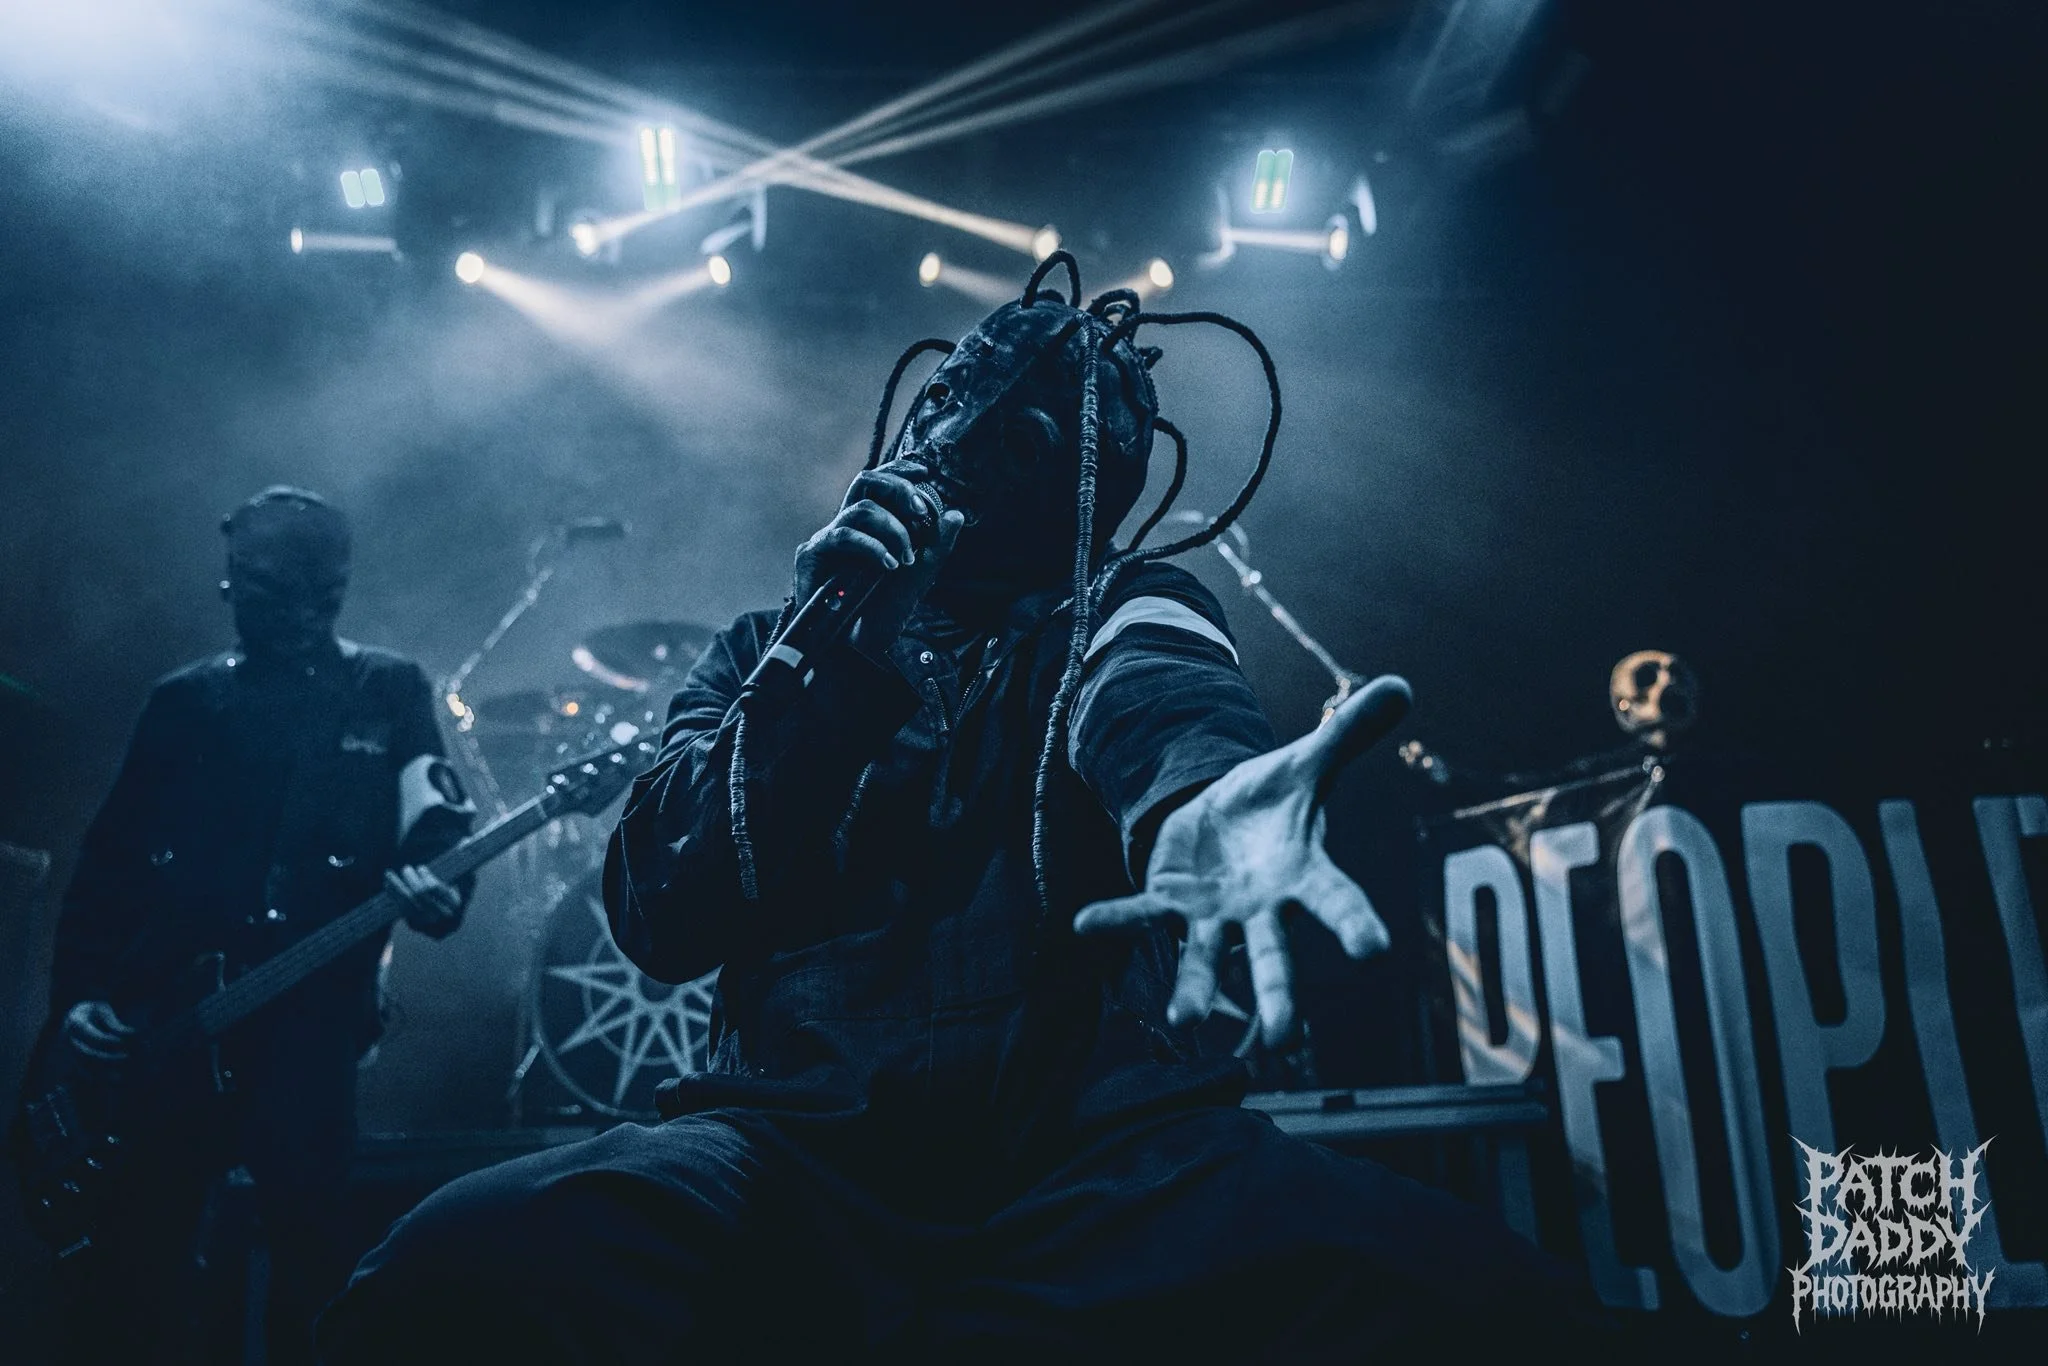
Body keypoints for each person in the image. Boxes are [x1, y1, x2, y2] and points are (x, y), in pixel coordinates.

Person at [318, 270, 1594, 1361]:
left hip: (1101, 1161)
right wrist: (830, 658)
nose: (988, 434)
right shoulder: (767, 648)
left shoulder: (1122, 605)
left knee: (1501, 1309)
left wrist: (1206, 804)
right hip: (789, 1159)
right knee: (451, 1267)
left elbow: (1158, 696)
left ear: (1097, 471)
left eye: (1054, 427)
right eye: (966, 401)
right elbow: (659, 911)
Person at [41, 486, 471, 1365]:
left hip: (309, 1018)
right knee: (140, 1256)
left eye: (278, 584)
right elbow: (109, 868)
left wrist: (438, 893)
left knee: (309, 1252)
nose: (251, 600)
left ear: (330, 587)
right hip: (171, 1019)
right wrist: (82, 999)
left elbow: (438, 815)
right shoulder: (187, 701)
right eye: (244, 580)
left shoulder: (385, 688)